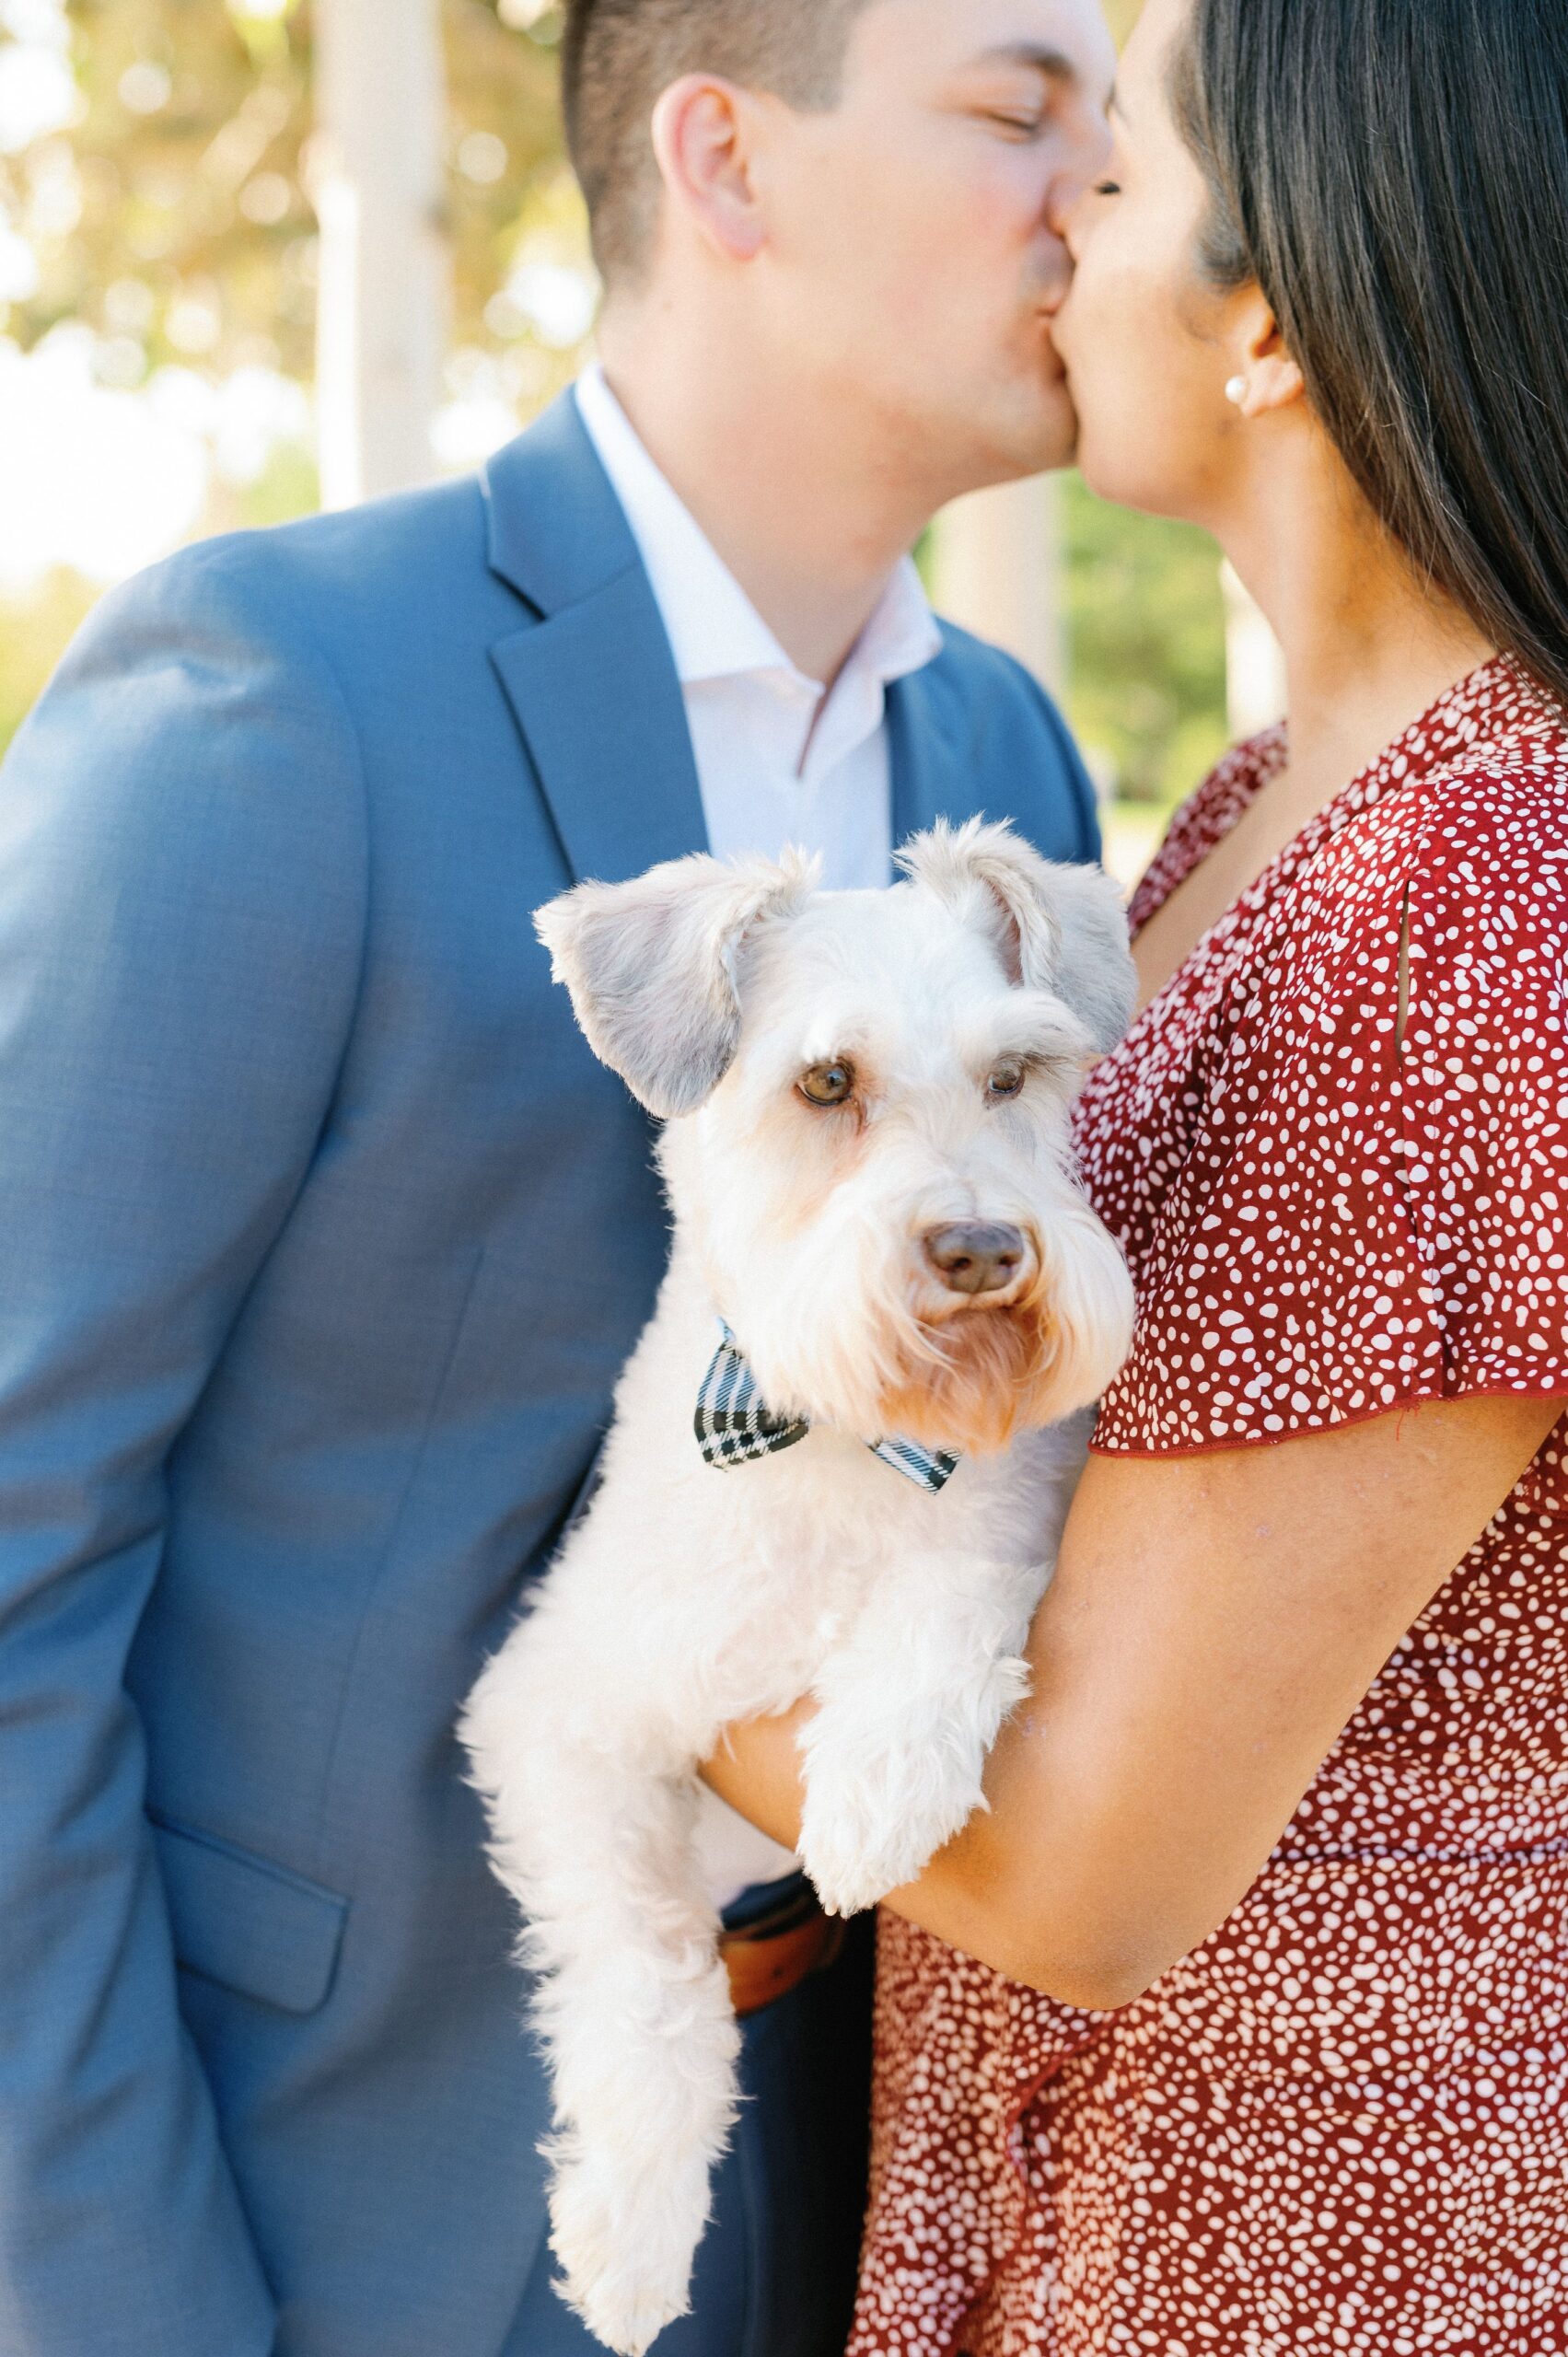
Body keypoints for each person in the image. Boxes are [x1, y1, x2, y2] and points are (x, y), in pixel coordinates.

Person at [0, 2, 1121, 2351]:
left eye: (1113, 125)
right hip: (331, 2196)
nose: (1102, 189)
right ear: (724, 162)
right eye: (1025, 112)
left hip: (839, 2218)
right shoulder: (277, 689)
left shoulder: (1007, 759)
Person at [704, 0, 1568, 2347]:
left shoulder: (1470, 883)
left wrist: (611, 1621)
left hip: (1306, 2238)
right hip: (1088, 2180)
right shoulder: (1259, 809)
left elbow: (1086, 1860)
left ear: (1271, 306)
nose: (1050, 234)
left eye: (1112, 183)